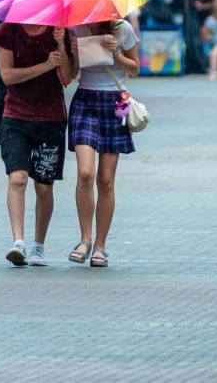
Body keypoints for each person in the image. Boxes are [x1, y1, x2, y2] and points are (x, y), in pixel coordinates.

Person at [0, 22, 74, 267]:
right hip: (15, 117)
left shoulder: (60, 30)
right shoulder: (8, 30)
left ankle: (39, 247)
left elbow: (68, 77)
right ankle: (19, 243)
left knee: (44, 187)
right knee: (17, 178)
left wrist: (61, 45)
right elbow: (8, 75)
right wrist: (45, 65)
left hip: (51, 120)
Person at [66, 18, 139, 269]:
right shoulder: (76, 27)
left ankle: (100, 245)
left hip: (114, 103)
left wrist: (116, 53)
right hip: (85, 100)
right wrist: (71, 52)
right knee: (86, 173)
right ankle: (84, 239)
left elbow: (135, 68)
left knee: (105, 179)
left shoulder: (122, 28)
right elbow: (70, 74)